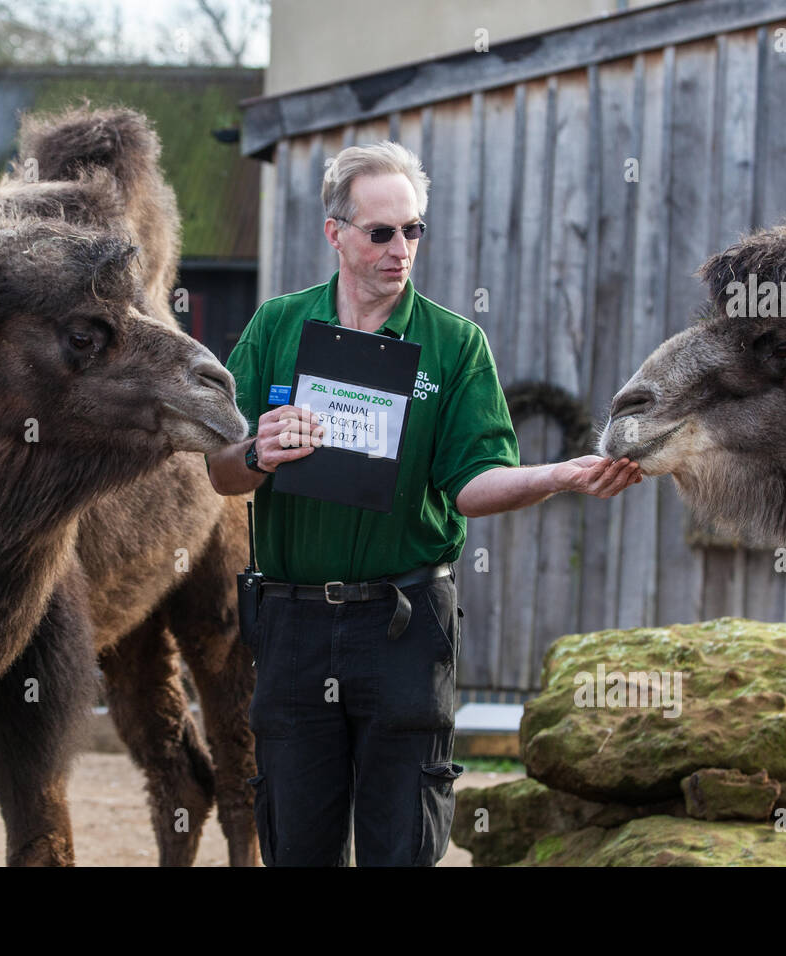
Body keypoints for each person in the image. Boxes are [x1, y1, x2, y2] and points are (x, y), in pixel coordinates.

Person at [205, 142, 641, 867]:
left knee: (402, 844)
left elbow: (473, 482)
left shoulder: (455, 344)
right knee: (294, 842)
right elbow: (221, 474)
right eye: (381, 232)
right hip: (291, 625)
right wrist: (256, 452)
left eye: (413, 230)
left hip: (403, 625)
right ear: (335, 232)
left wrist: (558, 475)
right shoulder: (277, 329)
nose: (400, 248)